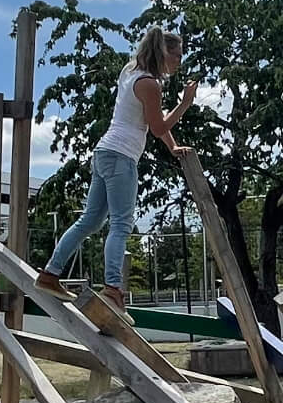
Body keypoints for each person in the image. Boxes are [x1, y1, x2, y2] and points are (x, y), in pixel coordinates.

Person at [36, 27, 196, 308]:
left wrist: (173, 148)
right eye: (178, 56)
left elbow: (148, 121)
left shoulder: (130, 71)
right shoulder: (150, 84)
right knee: (121, 224)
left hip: (104, 152)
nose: (180, 62)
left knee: (90, 220)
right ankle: (113, 289)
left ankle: (50, 274)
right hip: (122, 157)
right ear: (164, 54)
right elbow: (157, 127)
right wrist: (184, 105)